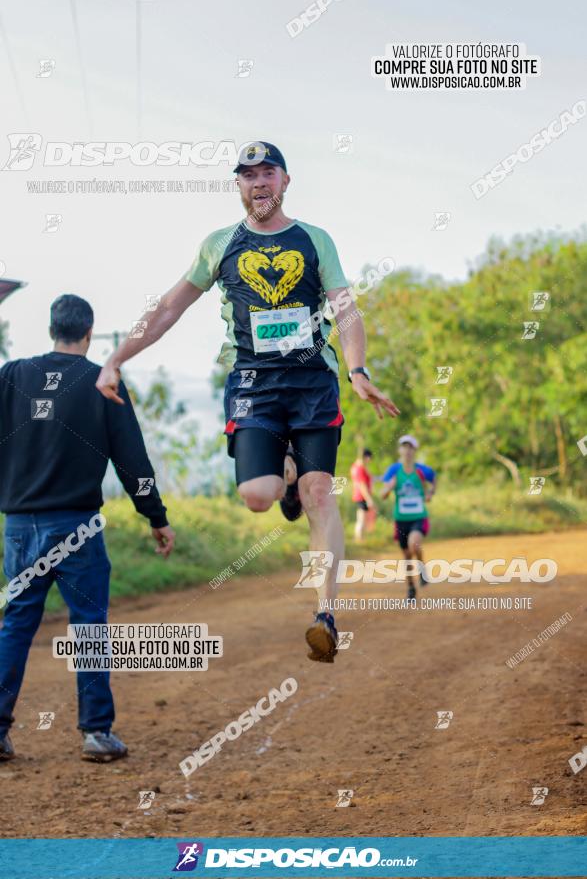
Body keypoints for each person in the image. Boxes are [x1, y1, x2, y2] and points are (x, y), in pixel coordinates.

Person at [95, 141, 399, 663]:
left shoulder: (314, 240)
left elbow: (344, 309)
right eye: (248, 175)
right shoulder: (220, 244)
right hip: (254, 387)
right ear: (238, 185)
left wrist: (357, 369)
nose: (258, 183)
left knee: (320, 493)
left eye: (268, 173)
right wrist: (116, 358)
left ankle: (325, 614)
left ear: (285, 182)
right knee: (258, 495)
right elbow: (168, 308)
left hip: (312, 383)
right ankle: (282, 477)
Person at [0, 295, 174, 763]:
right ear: (90, 332)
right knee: (89, 627)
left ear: (53, 328)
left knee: (16, 623)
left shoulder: (12, 376)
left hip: (18, 526)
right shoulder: (103, 380)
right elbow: (132, 462)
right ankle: (96, 733)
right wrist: (155, 517)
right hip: (76, 527)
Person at [381, 435, 437, 599]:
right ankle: (411, 587)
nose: (407, 451)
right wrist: (389, 488)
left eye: (410, 447)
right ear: (399, 450)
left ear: (414, 450)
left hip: (419, 517)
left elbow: (433, 480)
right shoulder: (393, 470)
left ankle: (421, 569)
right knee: (406, 556)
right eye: (404, 447)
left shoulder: (422, 470)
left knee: (414, 544)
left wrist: (430, 493)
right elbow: (383, 494)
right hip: (401, 519)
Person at [350, 449, 374, 542]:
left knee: (361, 518)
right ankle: (359, 539)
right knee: (361, 519)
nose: (369, 461)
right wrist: (368, 499)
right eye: (369, 458)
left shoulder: (355, 467)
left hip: (359, 496)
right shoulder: (360, 468)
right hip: (362, 496)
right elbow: (362, 485)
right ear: (366, 457)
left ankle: (360, 538)